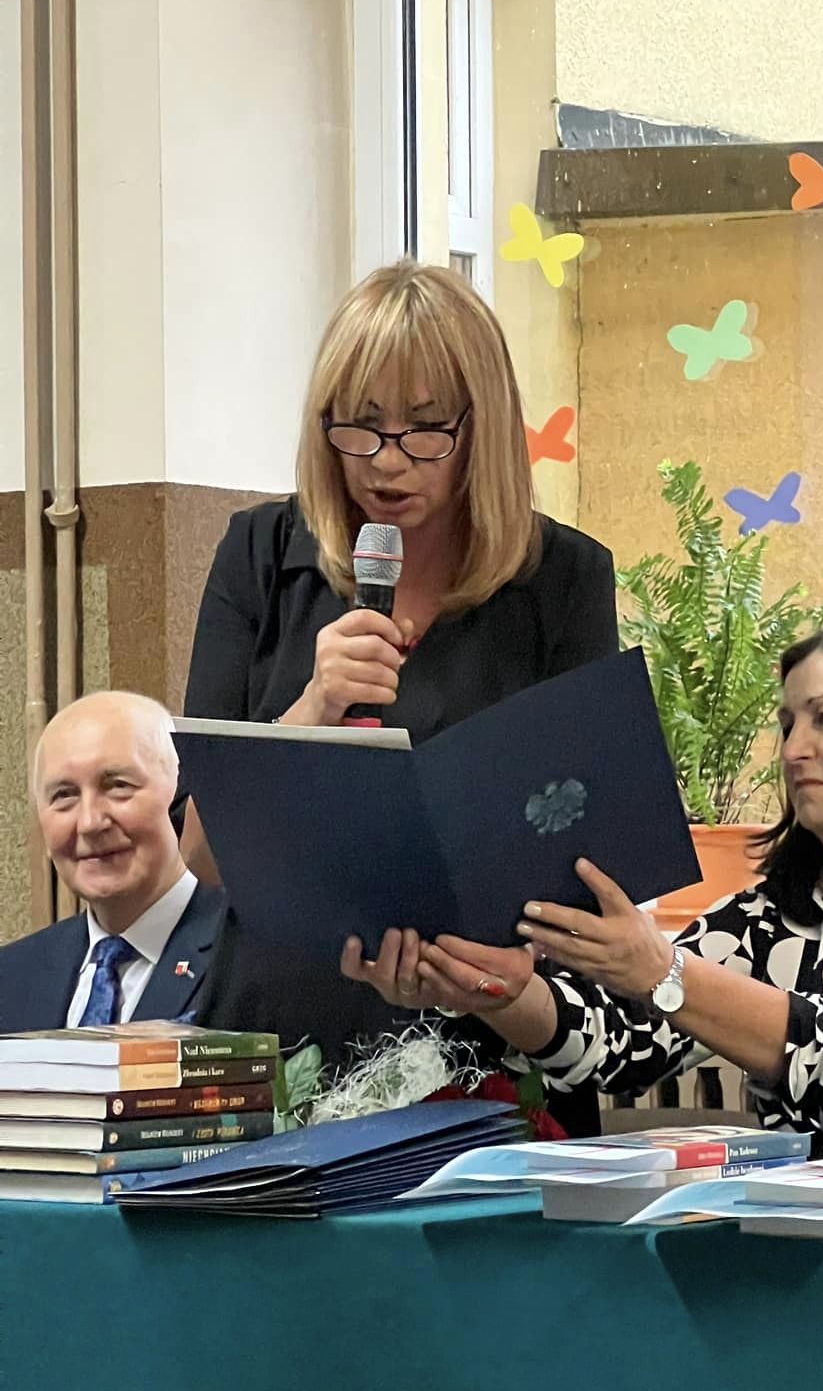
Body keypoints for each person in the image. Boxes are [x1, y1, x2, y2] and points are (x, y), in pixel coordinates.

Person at [344, 618, 823, 1185]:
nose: (794, 750)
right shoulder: (776, 915)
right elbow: (620, 1045)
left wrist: (662, 972)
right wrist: (504, 991)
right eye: (787, 725)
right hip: (822, 1284)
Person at [182, 260, 618, 1127]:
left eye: (424, 430)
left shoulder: (562, 578)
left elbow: (586, 840)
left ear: (481, 427)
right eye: (360, 427)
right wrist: (313, 707)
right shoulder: (260, 557)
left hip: (483, 1022)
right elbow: (199, 853)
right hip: (282, 1023)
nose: (386, 461)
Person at [0, 693, 223, 1034]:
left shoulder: (259, 961)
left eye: (118, 786)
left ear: (177, 793)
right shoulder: (11, 978)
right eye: (64, 795)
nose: (90, 822)